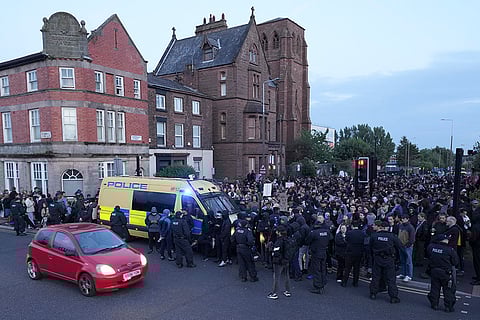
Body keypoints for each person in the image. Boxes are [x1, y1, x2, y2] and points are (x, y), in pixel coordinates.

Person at [369, 221, 402, 303]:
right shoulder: (392, 236)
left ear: (380, 227)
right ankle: (393, 297)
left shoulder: (374, 236)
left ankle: (373, 293)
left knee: (376, 276)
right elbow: (400, 246)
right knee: (390, 278)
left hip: (377, 258)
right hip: (389, 259)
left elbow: (370, 247)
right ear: (387, 228)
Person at [426, 234, 459, 312]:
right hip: (446, 273)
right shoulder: (450, 250)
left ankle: (434, 304)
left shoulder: (431, 247)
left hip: (434, 271)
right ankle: (448, 307)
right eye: (447, 239)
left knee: (435, 288)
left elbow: (429, 255)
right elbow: (455, 262)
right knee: (448, 290)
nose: (448, 240)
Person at [305, 217, 332, 294]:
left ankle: (317, 286)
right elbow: (331, 239)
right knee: (323, 268)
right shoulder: (327, 232)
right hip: (324, 251)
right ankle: (323, 283)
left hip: (316, 252)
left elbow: (307, 241)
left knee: (316, 269)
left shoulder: (314, 233)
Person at [267, 225, 292, 299]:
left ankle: (274, 293)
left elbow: (276, 252)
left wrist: (271, 250)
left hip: (278, 261)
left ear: (279, 232)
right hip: (286, 260)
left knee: (276, 277)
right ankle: (287, 291)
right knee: (286, 276)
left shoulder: (279, 241)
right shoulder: (287, 239)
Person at [342, 220, 365, 287]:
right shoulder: (362, 233)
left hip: (350, 252)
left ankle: (344, 282)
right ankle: (355, 283)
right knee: (356, 269)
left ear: (352, 226)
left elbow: (346, 240)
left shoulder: (349, 233)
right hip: (359, 253)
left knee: (347, 268)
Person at [397, 214, 416, 282]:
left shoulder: (411, 227)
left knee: (408, 261)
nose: (403, 220)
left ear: (408, 219)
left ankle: (409, 275)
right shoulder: (400, 225)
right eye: (402, 218)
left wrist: (408, 245)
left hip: (407, 247)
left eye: (404, 218)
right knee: (402, 261)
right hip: (401, 246)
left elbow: (412, 239)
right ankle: (403, 273)